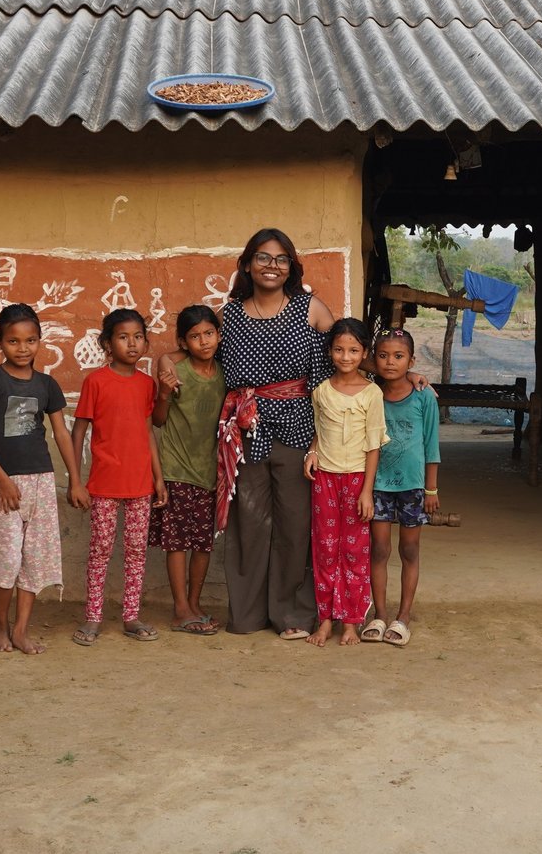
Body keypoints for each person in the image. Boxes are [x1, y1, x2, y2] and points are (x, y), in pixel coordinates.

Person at [213, 229, 336, 639]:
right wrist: (164, 361)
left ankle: (292, 616)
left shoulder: (310, 309)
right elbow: (194, 350)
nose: (272, 266)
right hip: (246, 429)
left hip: (299, 428)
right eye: (263, 258)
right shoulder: (228, 315)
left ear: (291, 266)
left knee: (294, 523)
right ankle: (246, 616)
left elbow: (344, 361)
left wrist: (408, 376)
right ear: (247, 264)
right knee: (248, 522)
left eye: (282, 259)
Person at [0, 303, 85, 655]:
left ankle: (21, 630)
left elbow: (62, 435)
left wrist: (75, 480)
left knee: (34, 556)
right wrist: (3, 480)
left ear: (39, 341)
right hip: (4, 484)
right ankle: (0, 625)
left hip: (41, 481)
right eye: (14, 341)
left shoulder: (47, 385)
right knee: (6, 558)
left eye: (30, 340)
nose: (23, 349)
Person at [69, 308, 166, 645]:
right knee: (100, 550)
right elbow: (79, 430)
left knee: (137, 551)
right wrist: (75, 480)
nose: (132, 343)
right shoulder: (95, 381)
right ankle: (93, 617)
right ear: (107, 344)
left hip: (140, 483)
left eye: (138, 337)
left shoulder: (145, 385)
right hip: (105, 484)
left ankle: (131, 616)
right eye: (123, 337)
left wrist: (159, 479)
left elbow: (147, 432)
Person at [305, 319, 387, 647]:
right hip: (324, 477)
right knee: (325, 550)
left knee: (354, 552)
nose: (346, 356)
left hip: (356, 480)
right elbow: (318, 431)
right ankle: (325, 620)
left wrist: (367, 491)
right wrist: (311, 451)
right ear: (330, 352)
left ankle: (352, 621)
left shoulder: (372, 393)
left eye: (354, 350)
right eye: (339, 349)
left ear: (364, 353)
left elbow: (373, 445)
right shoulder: (321, 391)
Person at [150, 305, 224, 636]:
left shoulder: (224, 372)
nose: (204, 342)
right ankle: (180, 609)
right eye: (195, 337)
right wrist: (164, 393)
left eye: (209, 333)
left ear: (219, 335)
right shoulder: (175, 370)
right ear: (184, 342)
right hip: (177, 468)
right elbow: (159, 419)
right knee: (177, 543)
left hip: (210, 472)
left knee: (203, 544)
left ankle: (194, 604)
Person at [364, 327, 439, 647]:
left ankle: (404, 616)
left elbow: (431, 445)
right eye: (382, 356)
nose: (390, 362)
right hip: (378, 485)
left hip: (412, 486)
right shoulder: (370, 394)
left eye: (398, 356)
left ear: (412, 359)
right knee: (379, 550)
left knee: (409, 550)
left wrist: (431, 490)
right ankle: (379, 615)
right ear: (373, 359)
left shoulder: (424, 396)